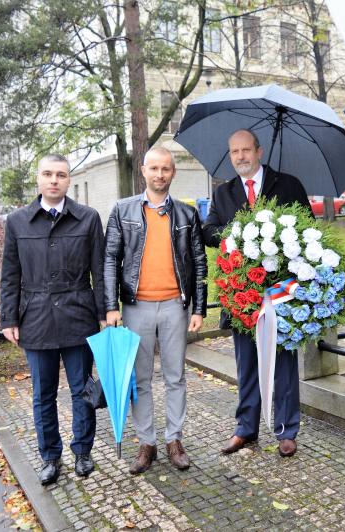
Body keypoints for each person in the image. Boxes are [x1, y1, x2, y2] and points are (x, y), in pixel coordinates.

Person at [202, 129, 311, 458]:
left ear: (259, 152)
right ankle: (246, 428)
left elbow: (309, 229)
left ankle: (286, 430)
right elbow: (208, 231)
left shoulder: (288, 185)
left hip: (280, 293)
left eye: (246, 150)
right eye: (235, 152)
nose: (241, 157)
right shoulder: (224, 193)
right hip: (241, 294)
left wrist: (274, 237)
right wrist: (238, 233)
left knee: (284, 363)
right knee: (246, 363)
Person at [0, 154, 105, 485]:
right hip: (36, 318)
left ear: (69, 179)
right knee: (43, 393)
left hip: (78, 316)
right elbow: (10, 274)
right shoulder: (17, 221)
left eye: (60, 174)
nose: (54, 180)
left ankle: (83, 451)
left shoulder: (88, 218)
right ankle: (50, 456)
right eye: (48, 174)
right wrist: (8, 318)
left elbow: (100, 271)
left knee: (81, 389)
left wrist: (104, 313)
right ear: (38, 178)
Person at [103, 146, 207, 473]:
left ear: (173, 172)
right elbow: (110, 260)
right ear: (143, 170)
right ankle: (147, 442)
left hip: (176, 305)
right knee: (140, 378)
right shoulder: (122, 210)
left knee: (176, 376)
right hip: (137, 307)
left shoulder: (187, 214)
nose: (159, 174)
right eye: (154, 168)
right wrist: (110, 306)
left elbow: (199, 262)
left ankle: (174, 439)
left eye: (166, 169)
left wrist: (199, 308)